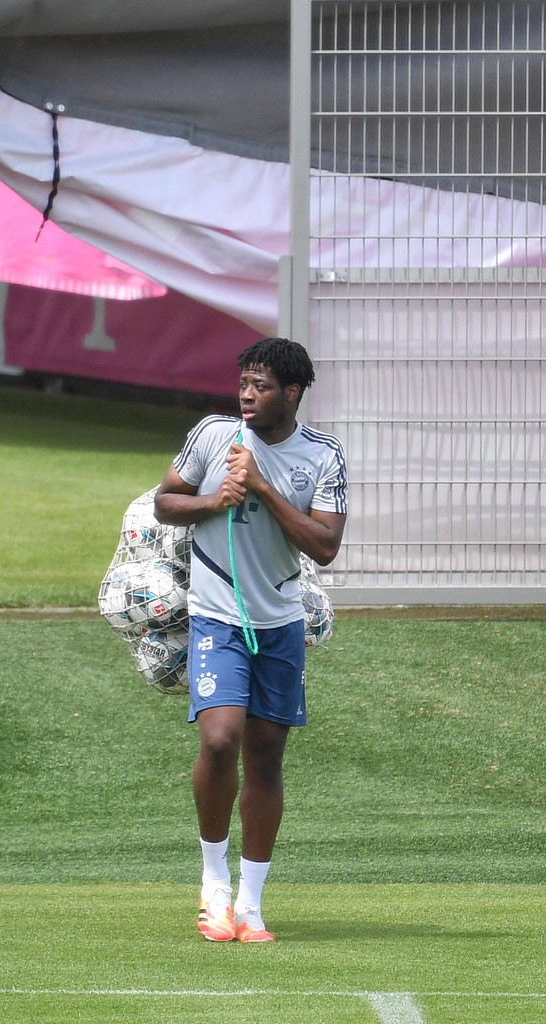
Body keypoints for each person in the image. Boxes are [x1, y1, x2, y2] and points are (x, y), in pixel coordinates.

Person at [153, 337, 348, 943]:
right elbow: (165, 502)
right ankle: (213, 885)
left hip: (281, 624)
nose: (246, 393)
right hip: (216, 618)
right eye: (243, 381)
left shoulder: (323, 456)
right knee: (219, 740)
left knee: (265, 757)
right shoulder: (213, 434)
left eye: (261, 385)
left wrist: (263, 487)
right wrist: (215, 499)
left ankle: (251, 904)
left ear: (292, 394)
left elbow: (324, 545)